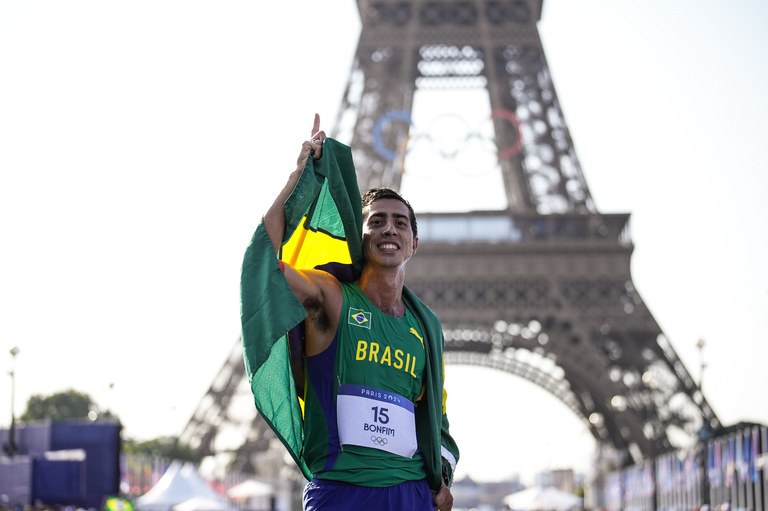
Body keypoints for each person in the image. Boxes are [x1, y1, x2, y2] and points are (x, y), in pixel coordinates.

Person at [240, 114, 459, 510]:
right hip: (343, 490)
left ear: (414, 242)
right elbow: (268, 265)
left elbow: (435, 414)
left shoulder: (425, 327)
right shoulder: (332, 298)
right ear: (360, 238)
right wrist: (299, 181)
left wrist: (441, 477)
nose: (389, 230)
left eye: (399, 223)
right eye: (376, 222)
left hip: (410, 491)